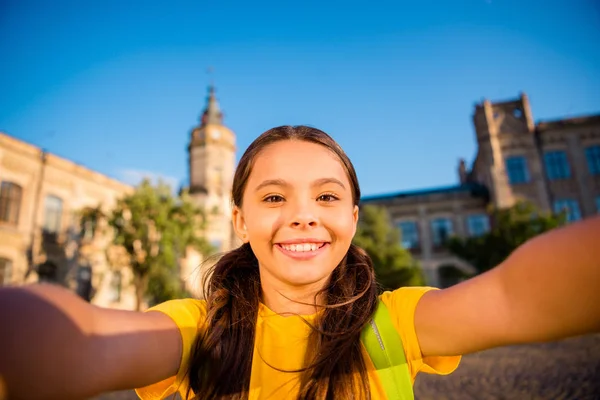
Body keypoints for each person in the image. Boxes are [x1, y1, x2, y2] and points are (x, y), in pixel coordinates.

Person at [1, 125, 599, 400]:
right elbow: (81, 341)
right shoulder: (194, 333)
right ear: (239, 220)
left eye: (328, 196)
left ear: (354, 219)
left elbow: (518, 295)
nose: (303, 215)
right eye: (273, 197)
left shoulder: (393, 327)